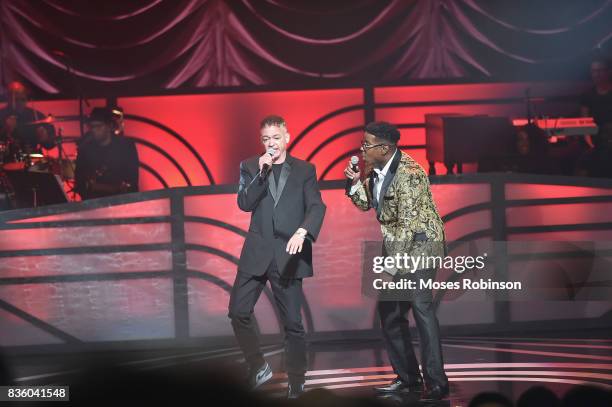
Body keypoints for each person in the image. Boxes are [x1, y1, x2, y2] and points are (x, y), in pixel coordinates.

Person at [344, 121, 448, 400]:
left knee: (421, 308)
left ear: (385, 147)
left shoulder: (410, 174)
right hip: (397, 246)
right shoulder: (377, 170)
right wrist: (355, 182)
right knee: (389, 313)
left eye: (367, 144)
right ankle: (408, 378)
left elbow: (408, 225)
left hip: (421, 245)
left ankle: (437, 382)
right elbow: (366, 204)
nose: (362, 149)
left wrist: (390, 267)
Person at [228, 115, 326, 399]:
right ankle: (258, 366)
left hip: (288, 254)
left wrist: (303, 231)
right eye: (266, 139)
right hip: (256, 253)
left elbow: (316, 207)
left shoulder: (305, 170)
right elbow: (245, 203)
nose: (271, 144)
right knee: (238, 312)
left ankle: (297, 380)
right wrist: (261, 174)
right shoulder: (250, 166)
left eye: (276, 138)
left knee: (293, 324)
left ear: (287, 137)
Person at [74, 107, 139, 200]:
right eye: (92, 126)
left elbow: (132, 181)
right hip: (94, 204)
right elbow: (80, 183)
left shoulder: (126, 146)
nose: (94, 130)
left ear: (109, 126)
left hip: (121, 203)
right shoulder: (85, 149)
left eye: (98, 126)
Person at [0, 81, 55, 157]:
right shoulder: (1, 115)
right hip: (6, 161)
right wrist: (5, 130)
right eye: (16, 99)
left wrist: (45, 138)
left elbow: (50, 145)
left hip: (33, 159)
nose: (19, 102)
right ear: (8, 97)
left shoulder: (36, 116)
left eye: (22, 99)